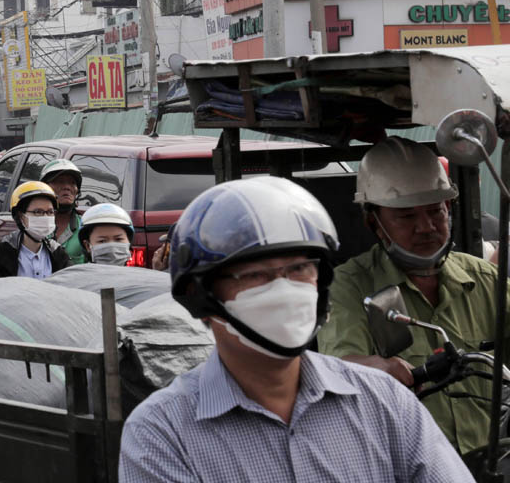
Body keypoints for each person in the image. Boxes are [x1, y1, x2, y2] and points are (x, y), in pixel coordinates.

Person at [119, 176, 472, 483]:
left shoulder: (385, 402)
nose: (284, 289)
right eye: (254, 275)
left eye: (299, 269)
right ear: (201, 297)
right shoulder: (161, 433)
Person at [318, 137, 508, 465]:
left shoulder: (486, 278)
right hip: (411, 467)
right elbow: (340, 366)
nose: (426, 227)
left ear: (449, 208)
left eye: (436, 211)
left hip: (494, 461)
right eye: (406, 217)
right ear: (373, 222)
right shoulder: (350, 286)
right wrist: (376, 369)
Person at [0, 181, 70, 280]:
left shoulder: (58, 254)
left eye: (50, 212)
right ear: (21, 217)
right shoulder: (1, 256)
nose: (45, 217)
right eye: (38, 212)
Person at [40, 159, 86, 264]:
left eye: (72, 183)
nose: (67, 187)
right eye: (60, 181)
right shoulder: (34, 226)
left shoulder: (85, 228)